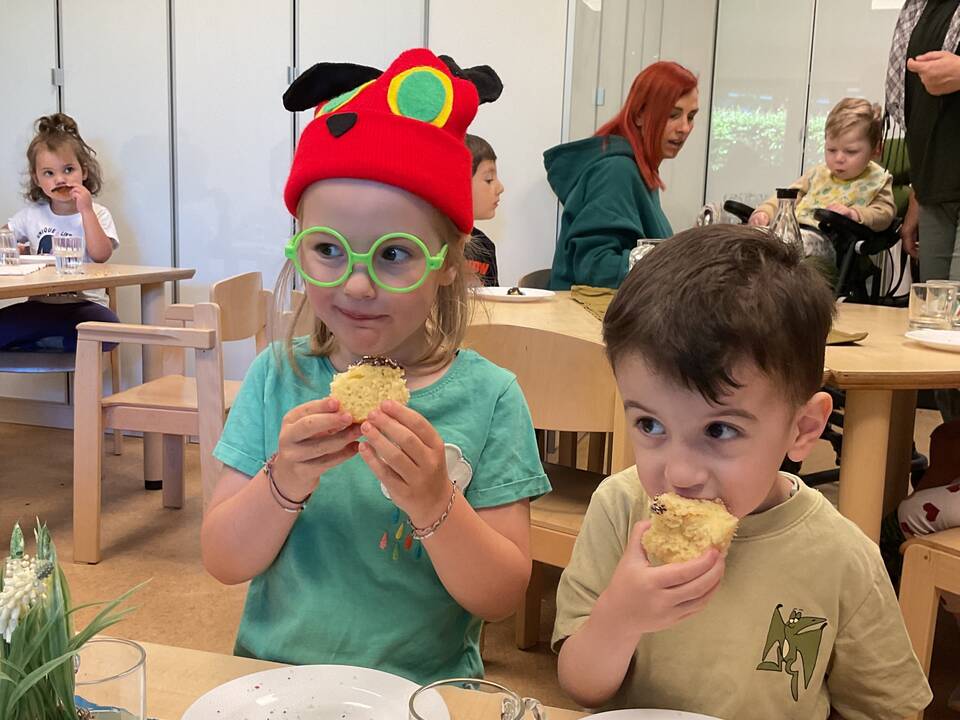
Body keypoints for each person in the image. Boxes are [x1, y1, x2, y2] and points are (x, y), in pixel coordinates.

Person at [199, 49, 549, 685]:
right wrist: (284, 480)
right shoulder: (277, 377)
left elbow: (501, 595)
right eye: (327, 250)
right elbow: (223, 558)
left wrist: (435, 502)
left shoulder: (491, 398)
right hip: (279, 683)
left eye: (394, 254)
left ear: (447, 262)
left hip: (423, 690)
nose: (356, 285)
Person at [553, 225, 931, 718]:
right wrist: (619, 619)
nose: (680, 473)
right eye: (650, 424)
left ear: (803, 428)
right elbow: (581, 689)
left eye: (719, 431)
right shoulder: (620, 509)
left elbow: (888, 708)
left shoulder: (842, 557)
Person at [544, 61, 698, 290]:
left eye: (691, 116)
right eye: (673, 115)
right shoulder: (616, 171)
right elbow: (596, 267)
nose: (684, 127)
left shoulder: (639, 169)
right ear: (639, 116)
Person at [887, 0, 960, 420]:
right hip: (935, 188)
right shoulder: (921, 7)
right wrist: (916, 193)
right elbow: (923, 114)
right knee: (936, 338)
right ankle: (951, 463)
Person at [0, 113, 119, 351]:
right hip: (39, 305)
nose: (60, 179)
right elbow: (4, 236)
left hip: (84, 304)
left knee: (108, 330)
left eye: (68, 169)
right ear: (37, 179)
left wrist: (85, 211)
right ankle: (51, 342)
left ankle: (38, 343)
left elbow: (101, 255)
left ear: (83, 172)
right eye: (49, 173)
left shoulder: (97, 213)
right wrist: (11, 247)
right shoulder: (31, 215)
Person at [748, 98, 896, 262]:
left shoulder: (877, 180)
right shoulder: (818, 173)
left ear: (876, 149)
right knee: (750, 239)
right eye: (831, 150)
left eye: (851, 151)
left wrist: (854, 214)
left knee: (780, 246)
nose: (839, 158)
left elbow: (885, 214)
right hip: (793, 231)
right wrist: (765, 212)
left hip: (827, 243)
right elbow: (787, 197)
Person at [464, 133, 503, 286]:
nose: (500, 187)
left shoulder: (485, 247)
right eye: (489, 179)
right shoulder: (431, 245)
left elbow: (495, 304)